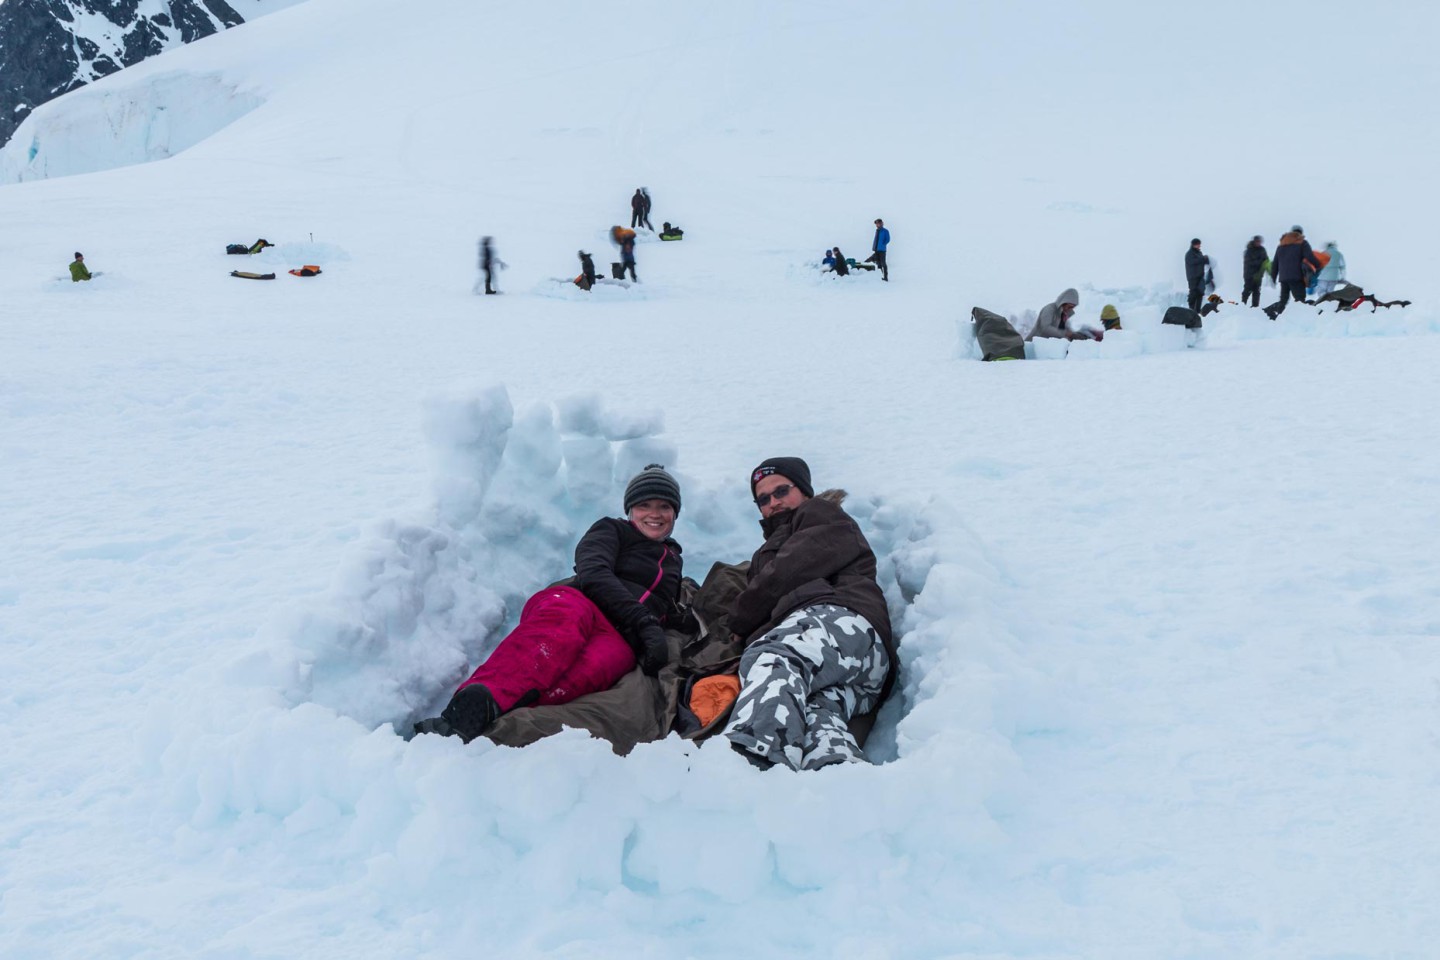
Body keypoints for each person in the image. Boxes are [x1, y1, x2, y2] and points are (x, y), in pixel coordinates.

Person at [414, 465, 685, 741]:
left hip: (620, 638)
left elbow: (666, 608)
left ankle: (496, 726)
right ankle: (468, 711)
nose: (654, 514)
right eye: (644, 505)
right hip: (582, 603)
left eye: (664, 506)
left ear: (675, 512)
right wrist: (643, 621)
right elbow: (592, 571)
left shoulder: (674, 561)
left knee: (584, 675)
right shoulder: (612, 529)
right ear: (630, 509)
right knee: (553, 641)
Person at [722, 457, 895, 770]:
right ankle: (839, 780)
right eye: (763, 498)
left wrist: (740, 619)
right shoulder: (770, 549)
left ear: (803, 490)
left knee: (775, 658)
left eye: (782, 490)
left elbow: (787, 572)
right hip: (853, 668)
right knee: (814, 712)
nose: (773, 502)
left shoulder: (821, 514)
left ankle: (747, 766)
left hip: (840, 620)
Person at [1264, 225, 1321, 320]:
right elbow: (1310, 257)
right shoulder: (1302, 243)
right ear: (1300, 234)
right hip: (1296, 277)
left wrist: (1273, 278)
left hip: (1283, 278)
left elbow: (1275, 263)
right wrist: (1318, 265)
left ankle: (1279, 319)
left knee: (1283, 300)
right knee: (1300, 300)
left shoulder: (1281, 245)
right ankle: (1299, 320)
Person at [1027, 288, 1096, 341]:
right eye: (1070, 306)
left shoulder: (1065, 315)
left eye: (1073, 307)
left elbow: (1065, 329)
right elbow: (1045, 328)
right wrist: (1065, 333)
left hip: (1053, 346)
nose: (1070, 309)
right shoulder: (1049, 309)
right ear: (1064, 302)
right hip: (1035, 346)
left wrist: (1074, 335)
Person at [1241, 236, 1267, 308]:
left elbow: (1266, 260)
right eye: (1257, 241)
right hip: (1249, 275)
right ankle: (1242, 305)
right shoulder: (1249, 250)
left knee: (1257, 291)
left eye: (1259, 241)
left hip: (1258, 275)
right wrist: (1260, 262)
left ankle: (1255, 307)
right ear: (1254, 241)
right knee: (1247, 290)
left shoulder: (1262, 250)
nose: (1258, 243)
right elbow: (1249, 262)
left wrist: (1265, 267)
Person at [1184, 239, 1209, 313]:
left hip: (1200, 277)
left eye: (1199, 244)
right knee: (1193, 293)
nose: (1199, 245)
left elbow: (1201, 261)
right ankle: (1191, 309)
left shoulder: (1199, 253)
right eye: (1197, 244)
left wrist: (1206, 259)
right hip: (1193, 277)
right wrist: (1202, 259)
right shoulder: (1189, 254)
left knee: (1200, 293)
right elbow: (1192, 262)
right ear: (1193, 245)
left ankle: (1198, 310)